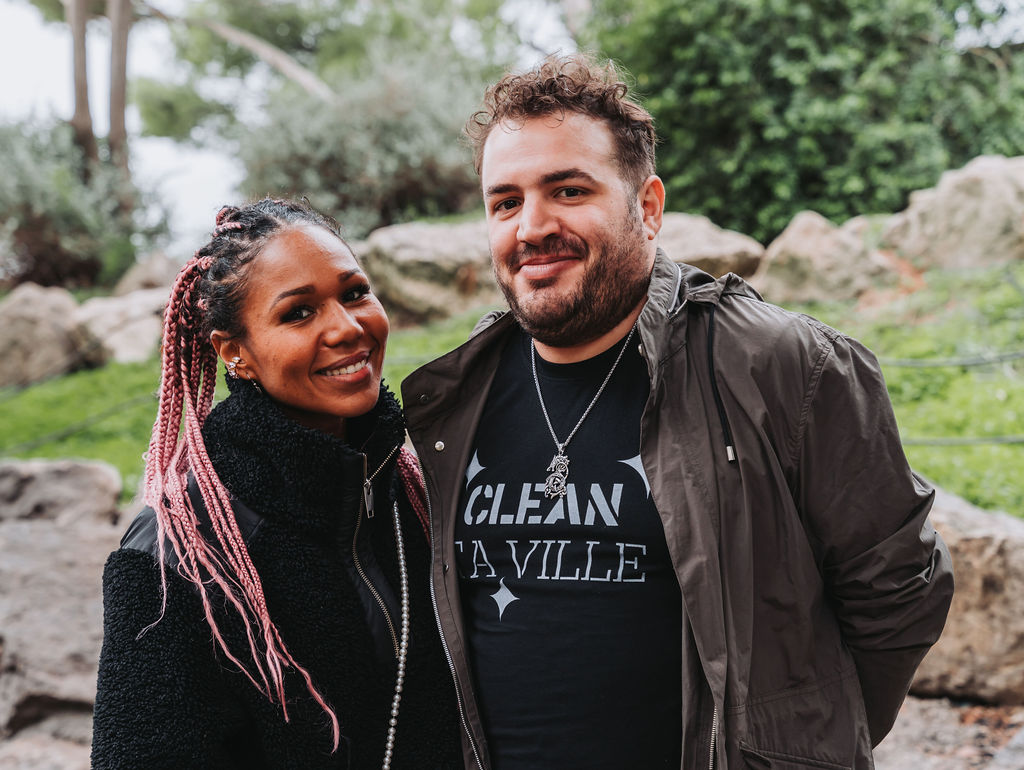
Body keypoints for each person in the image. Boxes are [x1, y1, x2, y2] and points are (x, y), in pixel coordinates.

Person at [401, 54, 954, 769]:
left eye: (568, 190)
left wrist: (798, 744)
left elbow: (900, 593)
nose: (531, 227)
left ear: (649, 207)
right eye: (505, 202)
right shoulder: (453, 397)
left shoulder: (784, 365)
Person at [92, 198, 461, 769]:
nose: (346, 327)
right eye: (298, 314)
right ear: (234, 353)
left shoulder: (416, 494)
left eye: (355, 292)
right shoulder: (179, 553)